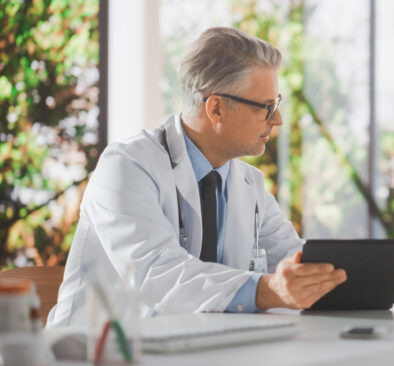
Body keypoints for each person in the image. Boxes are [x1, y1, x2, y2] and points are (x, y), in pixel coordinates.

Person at [47, 27, 346, 327]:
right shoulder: (126, 167)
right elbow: (158, 274)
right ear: (216, 108)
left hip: (195, 349)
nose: (277, 119)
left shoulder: (249, 184)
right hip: (93, 352)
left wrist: (346, 274)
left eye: (276, 104)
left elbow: (293, 259)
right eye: (266, 107)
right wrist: (266, 290)